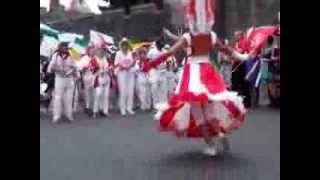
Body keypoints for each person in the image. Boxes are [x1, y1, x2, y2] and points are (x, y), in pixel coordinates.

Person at [142, 0, 251, 156]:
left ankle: (211, 146)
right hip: (207, 73)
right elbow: (228, 50)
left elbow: (169, 52)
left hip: (192, 74)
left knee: (198, 113)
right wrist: (244, 56)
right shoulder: (211, 36)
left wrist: (151, 64)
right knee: (209, 109)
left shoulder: (188, 36)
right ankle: (219, 134)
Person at [47, 42, 78, 123]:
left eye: (65, 46)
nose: (64, 48)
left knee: (69, 98)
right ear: (60, 47)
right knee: (58, 97)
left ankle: (69, 115)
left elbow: (75, 66)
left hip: (69, 78)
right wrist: (53, 69)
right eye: (62, 46)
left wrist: (71, 71)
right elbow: (51, 67)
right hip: (59, 78)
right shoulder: (56, 55)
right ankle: (56, 116)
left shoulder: (72, 54)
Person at [114, 38, 136, 116]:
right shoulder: (118, 53)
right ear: (121, 45)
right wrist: (121, 67)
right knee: (123, 91)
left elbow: (134, 63)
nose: (125, 46)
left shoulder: (131, 53)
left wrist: (131, 67)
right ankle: (122, 108)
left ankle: (129, 107)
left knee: (130, 91)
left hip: (130, 73)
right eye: (123, 44)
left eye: (126, 44)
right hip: (121, 74)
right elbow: (115, 64)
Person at [92, 46, 112, 118]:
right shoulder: (94, 59)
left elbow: (110, 66)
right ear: (97, 51)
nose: (102, 52)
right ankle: (95, 110)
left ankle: (105, 111)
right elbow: (93, 69)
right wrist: (99, 70)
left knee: (106, 95)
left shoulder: (106, 59)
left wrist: (108, 69)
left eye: (103, 50)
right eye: (100, 50)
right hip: (98, 78)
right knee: (98, 94)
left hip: (106, 77)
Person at [79, 46, 97, 116]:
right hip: (87, 76)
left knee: (95, 92)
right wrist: (84, 67)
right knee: (87, 92)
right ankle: (87, 107)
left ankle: (94, 107)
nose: (92, 51)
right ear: (88, 51)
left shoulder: (96, 58)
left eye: (93, 50)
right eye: (91, 50)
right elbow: (80, 67)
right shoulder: (84, 58)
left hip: (95, 76)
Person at [147, 40, 164, 110]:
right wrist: (153, 65)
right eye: (159, 44)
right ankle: (155, 105)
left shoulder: (163, 51)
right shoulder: (152, 51)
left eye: (162, 44)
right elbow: (147, 60)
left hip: (162, 71)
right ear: (157, 45)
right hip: (154, 71)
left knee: (162, 89)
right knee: (154, 88)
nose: (161, 45)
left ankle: (161, 104)